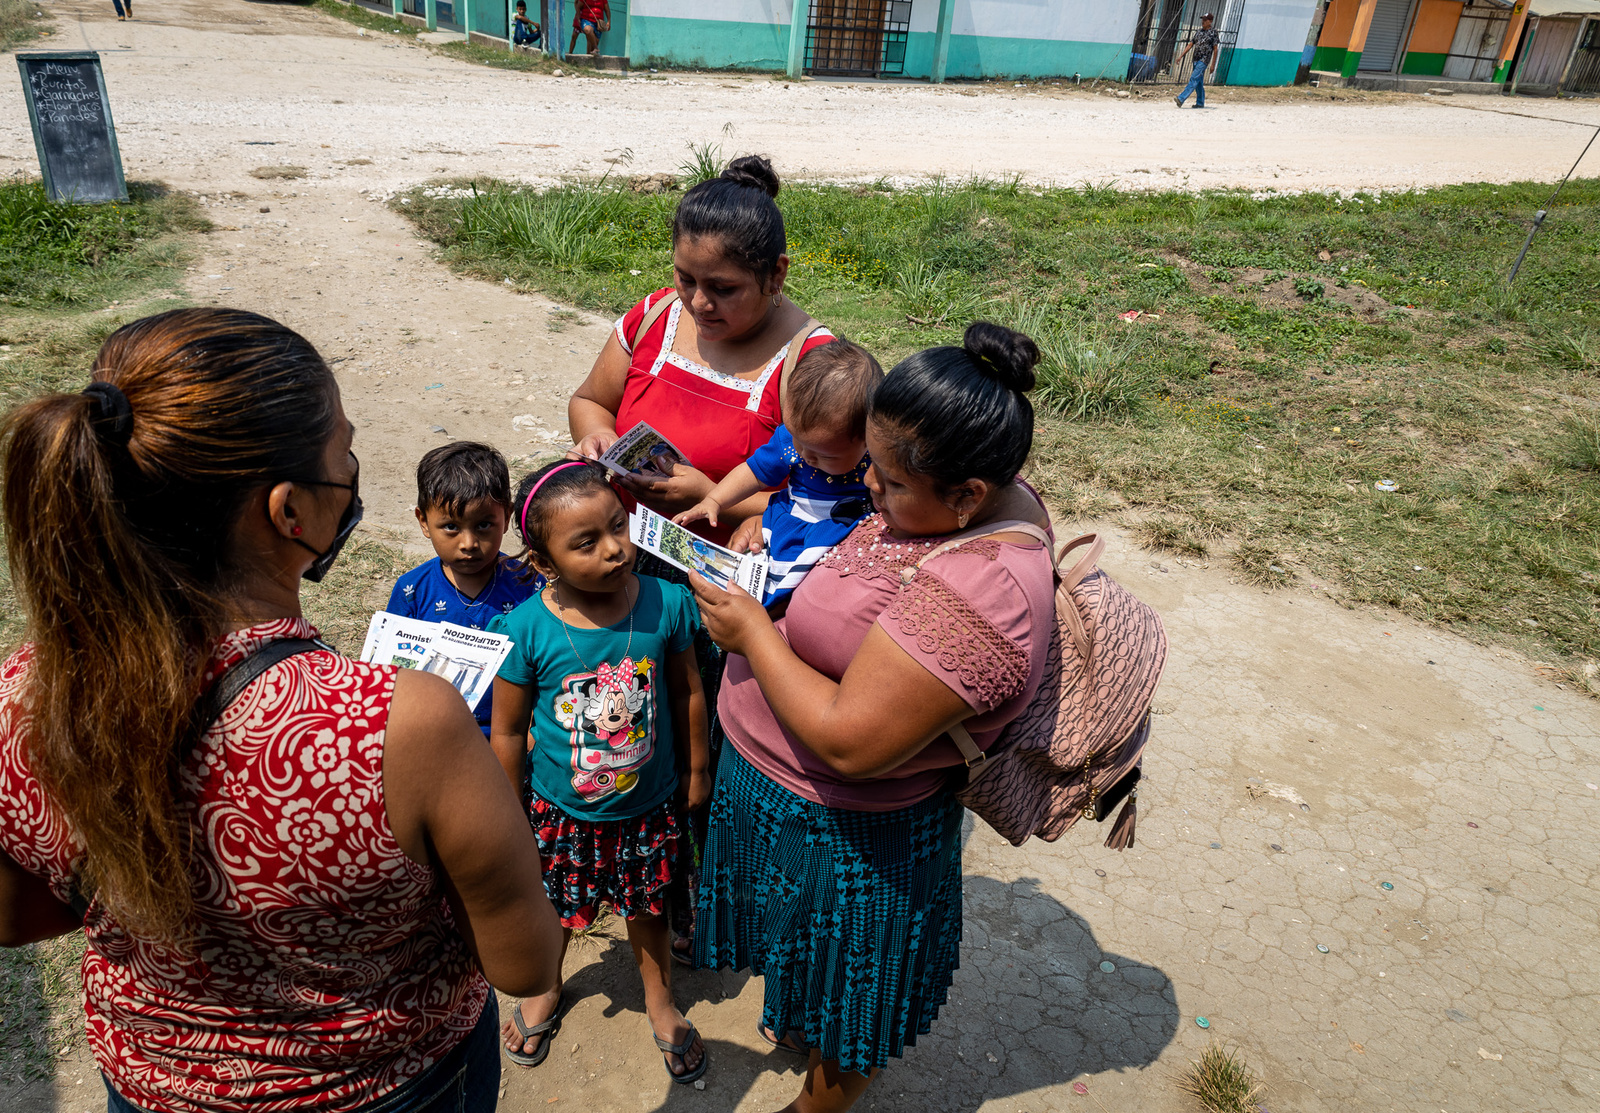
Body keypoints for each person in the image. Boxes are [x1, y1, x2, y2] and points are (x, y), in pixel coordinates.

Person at [0, 308, 563, 1113]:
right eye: (344, 450)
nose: (355, 465)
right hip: (388, 1083)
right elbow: (524, 964)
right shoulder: (406, 726)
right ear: (290, 510)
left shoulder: (23, 698)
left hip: (154, 1083)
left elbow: (18, 917)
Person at [688, 322, 1059, 1113]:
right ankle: (804, 1031)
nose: (869, 496)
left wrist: (755, 630)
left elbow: (850, 742)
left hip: (854, 841)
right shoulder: (950, 504)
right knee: (813, 974)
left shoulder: (980, 595)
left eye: (885, 483)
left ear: (967, 496)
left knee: (852, 1004)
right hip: (799, 811)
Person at [566, 153, 837, 958]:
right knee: (625, 726)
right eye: (686, 278)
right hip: (628, 568)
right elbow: (591, 396)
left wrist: (716, 490)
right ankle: (634, 870)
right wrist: (597, 437)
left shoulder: (812, 364)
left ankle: (708, 898)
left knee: (710, 750)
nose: (697, 301)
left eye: (723, 288)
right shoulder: (652, 320)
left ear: (778, 273)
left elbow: (841, 499)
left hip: (729, 595)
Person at [487, 460, 710, 1084]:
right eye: (586, 543)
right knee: (556, 906)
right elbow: (507, 730)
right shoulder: (526, 628)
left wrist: (697, 772)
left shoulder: (666, 604)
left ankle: (660, 1002)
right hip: (562, 812)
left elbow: (689, 691)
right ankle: (544, 987)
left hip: (650, 806)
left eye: (619, 526)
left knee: (650, 909)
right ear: (543, 562)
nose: (615, 549)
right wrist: (512, 810)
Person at [674, 338, 882, 609]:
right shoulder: (792, 443)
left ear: (868, 438)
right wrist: (714, 500)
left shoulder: (877, 462)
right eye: (798, 439)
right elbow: (754, 472)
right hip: (788, 526)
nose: (806, 456)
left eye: (825, 455)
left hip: (839, 535)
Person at [387, 440, 540, 737]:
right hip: (433, 733)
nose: (468, 544)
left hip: (515, 735)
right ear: (423, 521)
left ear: (506, 517)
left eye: (484, 525)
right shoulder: (412, 591)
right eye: (451, 527)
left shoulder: (529, 584)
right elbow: (393, 676)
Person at [1174, 12, 1220, 108]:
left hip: (1204, 60)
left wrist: (1213, 65)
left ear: (1210, 21)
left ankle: (1181, 98)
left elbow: (1215, 49)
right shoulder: (1199, 32)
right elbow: (1191, 44)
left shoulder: (1213, 32)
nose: (1202, 22)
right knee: (1198, 82)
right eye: (1202, 19)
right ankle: (1200, 103)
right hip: (1195, 59)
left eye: (1205, 20)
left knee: (1194, 78)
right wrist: (1181, 56)